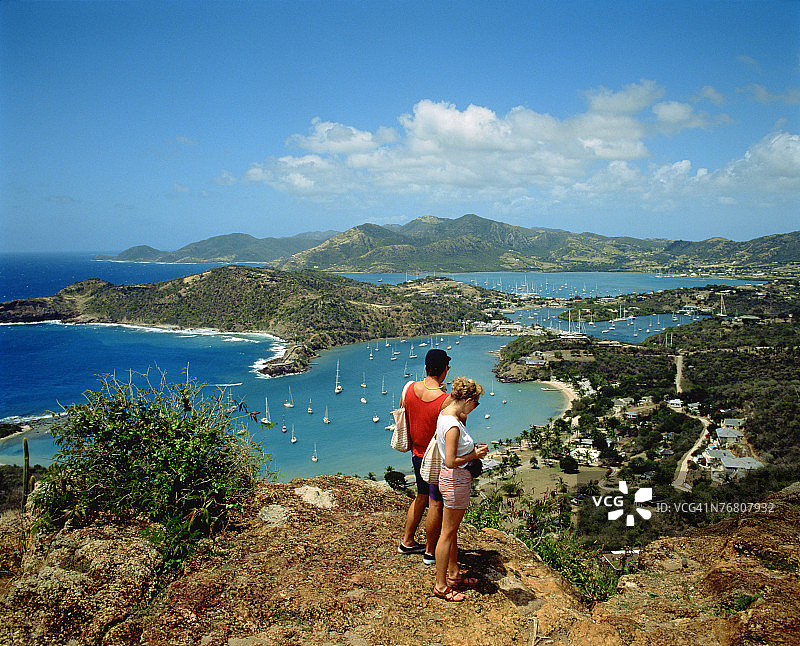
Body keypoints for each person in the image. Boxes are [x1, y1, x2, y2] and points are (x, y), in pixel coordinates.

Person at [432, 376, 488, 602]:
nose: (475, 408)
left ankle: (453, 574)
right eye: (476, 403)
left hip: (451, 480)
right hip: (455, 479)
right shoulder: (453, 425)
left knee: (451, 531)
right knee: (446, 534)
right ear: (467, 400)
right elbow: (451, 460)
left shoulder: (446, 414)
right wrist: (474, 455)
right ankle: (441, 585)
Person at [397, 349, 451, 563]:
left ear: (426, 368)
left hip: (416, 453)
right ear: (445, 370)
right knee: (436, 503)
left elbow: (407, 410)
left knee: (421, 496)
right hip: (435, 458)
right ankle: (430, 552)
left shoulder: (408, 388)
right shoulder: (445, 400)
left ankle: (407, 541)